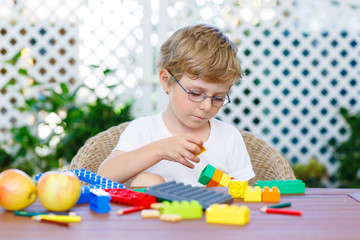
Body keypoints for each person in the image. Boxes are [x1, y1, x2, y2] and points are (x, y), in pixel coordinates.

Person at [97, 24, 255, 187]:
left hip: (211, 212)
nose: (207, 106)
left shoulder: (229, 138)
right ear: (166, 80)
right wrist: (160, 149)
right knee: (148, 181)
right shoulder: (144, 130)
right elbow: (104, 176)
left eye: (219, 98)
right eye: (195, 93)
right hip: (156, 213)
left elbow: (243, 195)